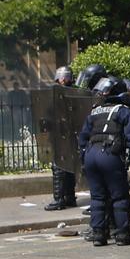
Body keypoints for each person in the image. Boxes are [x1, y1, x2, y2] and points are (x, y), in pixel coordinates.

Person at [78, 77, 130, 246]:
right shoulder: (124, 111)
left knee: (97, 197)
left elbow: (82, 138)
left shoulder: (94, 111)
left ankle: (99, 234)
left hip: (91, 154)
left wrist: (84, 161)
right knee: (119, 196)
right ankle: (123, 235)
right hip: (110, 155)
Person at [44, 66, 79, 211]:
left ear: (62, 79)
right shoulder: (75, 93)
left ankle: (59, 199)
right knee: (69, 167)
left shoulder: (58, 95)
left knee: (58, 166)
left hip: (61, 135)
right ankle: (70, 197)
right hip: (71, 136)